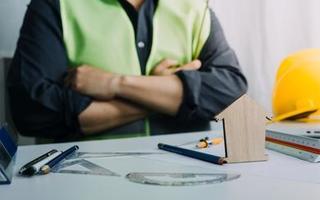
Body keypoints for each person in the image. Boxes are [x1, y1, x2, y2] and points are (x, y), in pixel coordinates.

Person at [7, 0, 247, 141]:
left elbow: (231, 94)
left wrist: (116, 84)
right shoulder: (55, 5)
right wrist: (161, 90)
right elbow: (31, 111)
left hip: (190, 180)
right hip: (84, 183)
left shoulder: (193, 6)